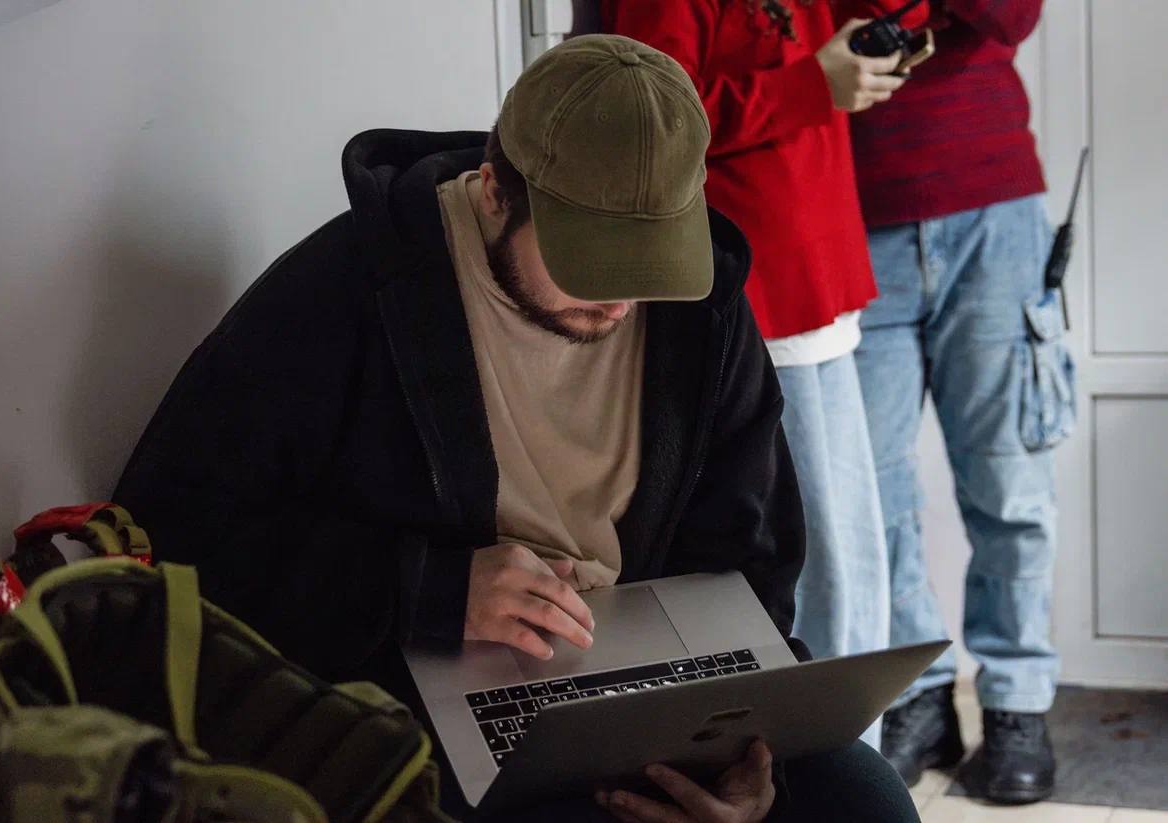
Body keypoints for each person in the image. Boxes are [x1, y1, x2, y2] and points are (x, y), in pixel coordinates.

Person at [115, 33, 919, 823]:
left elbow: (752, 557)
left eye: (651, 265)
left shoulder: (701, 310)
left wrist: (742, 746)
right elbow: (173, 533)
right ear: (495, 191)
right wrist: (429, 589)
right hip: (422, 681)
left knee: (867, 803)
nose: (621, 303)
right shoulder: (345, 291)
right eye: (590, 265)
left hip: (658, 683)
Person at [602, 0, 907, 749]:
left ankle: (852, 760)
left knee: (855, 554)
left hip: (821, 273)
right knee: (811, 562)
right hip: (757, 284)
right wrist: (808, 87)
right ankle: (822, 767)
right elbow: (649, 120)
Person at [849, 0, 1070, 804]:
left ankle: (1018, 700)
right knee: (871, 493)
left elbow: (1014, 15)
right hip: (850, 215)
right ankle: (920, 695)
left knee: (1010, 480)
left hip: (991, 204)